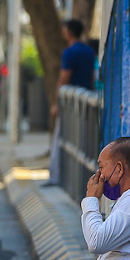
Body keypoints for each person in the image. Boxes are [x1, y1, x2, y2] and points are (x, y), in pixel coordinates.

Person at [47, 19, 97, 186]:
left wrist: (56, 102)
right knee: (83, 142)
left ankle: (56, 177)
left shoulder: (69, 52)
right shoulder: (89, 51)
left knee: (63, 139)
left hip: (70, 104)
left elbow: (64, 77)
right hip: (86, 101)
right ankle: (81, 181)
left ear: (68, 31)